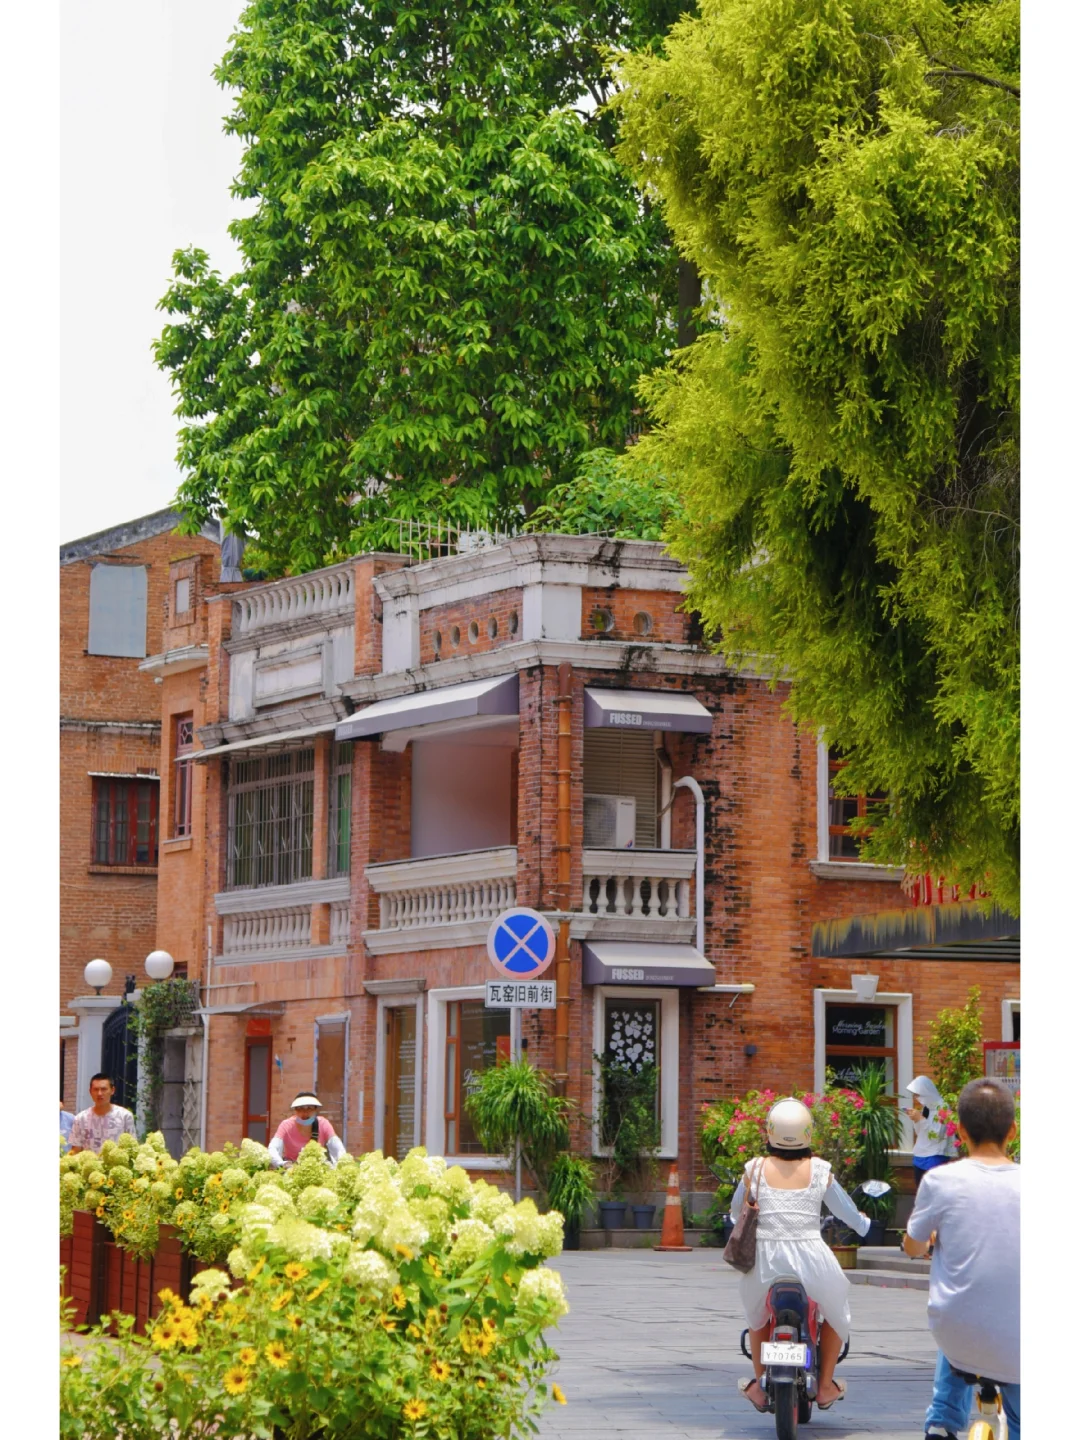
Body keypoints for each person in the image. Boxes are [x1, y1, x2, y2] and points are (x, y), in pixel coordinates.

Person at [731, 1097, 871, 1413]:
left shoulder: (754, 1169)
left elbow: (736, 1210)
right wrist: (863, 1224)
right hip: (811, 1260)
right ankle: (825, 1385)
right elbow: (846, 1211)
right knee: (836, 1310)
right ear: (807, 1133)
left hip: (764, 1261)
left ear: (770, 1131)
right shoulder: (820, 1170)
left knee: (757, 1315)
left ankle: (758, 1386)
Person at [904, 1078, 1020, 1440]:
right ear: (1013, 1131)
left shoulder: (940, 1181)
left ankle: (942, 1420)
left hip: (957, 1333)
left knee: (957, 1317)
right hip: (1019, 1339)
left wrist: (928, 1241)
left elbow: (913, 1247)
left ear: (962, 1131)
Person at [268, 1092, 347, 1168]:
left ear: (316, 1110)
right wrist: (282, 1164)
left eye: (310, 1108)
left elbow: (337, 1146)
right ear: (295, 1110)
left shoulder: (323, 1124)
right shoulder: (286, 1125)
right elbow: (273, 1147)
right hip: (291, 1168)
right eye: (300, 1108)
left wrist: (341, 1164)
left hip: (317, 1168)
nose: (305, 1112)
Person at [905, 1075, 956, 1188]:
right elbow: (920, 1133)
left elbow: (937, 1135)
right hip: (920, 1155)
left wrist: (921, 1119)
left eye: (918, 1095)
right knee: (920, 1191)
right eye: (915, 1095)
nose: (916, 1098)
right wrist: (916, 1120)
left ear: (926, 1091)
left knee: (933, 1191)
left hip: (935, 1156)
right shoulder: (926, 1108)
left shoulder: (943, 1107)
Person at [68, 1073, 137, 1154]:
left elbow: (132, 1148)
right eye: (96, 1089)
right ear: (90, 1092)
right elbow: (76, 1150)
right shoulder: (80, 1118)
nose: (99, 1093)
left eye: (104, 1089)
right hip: (90, 1162)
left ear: (112, 1090)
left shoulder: (125, 1116)